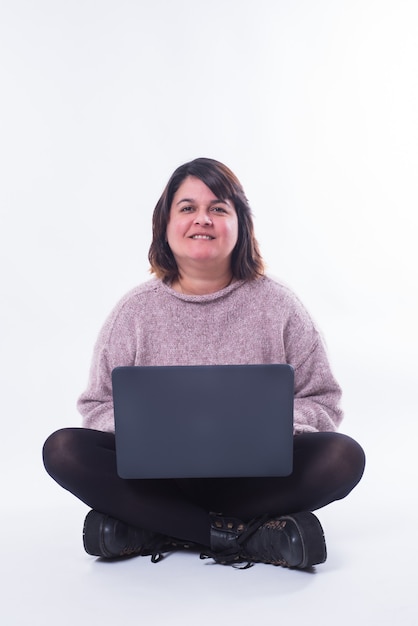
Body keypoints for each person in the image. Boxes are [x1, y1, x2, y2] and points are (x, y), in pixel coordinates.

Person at [43, 157, 365, 569]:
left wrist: (268, 428)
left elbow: (322, 398)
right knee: (64, 448)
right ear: (165, 225)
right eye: (188, 208)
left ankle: (155, 527)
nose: (203, 219)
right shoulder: (134, 312)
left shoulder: (280, 306)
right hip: (158, 480)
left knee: (343, 456)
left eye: (218, 208)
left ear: (240, 225)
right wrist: (152, 435)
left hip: (255, 479)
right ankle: (244, 537)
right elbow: (96, 406)